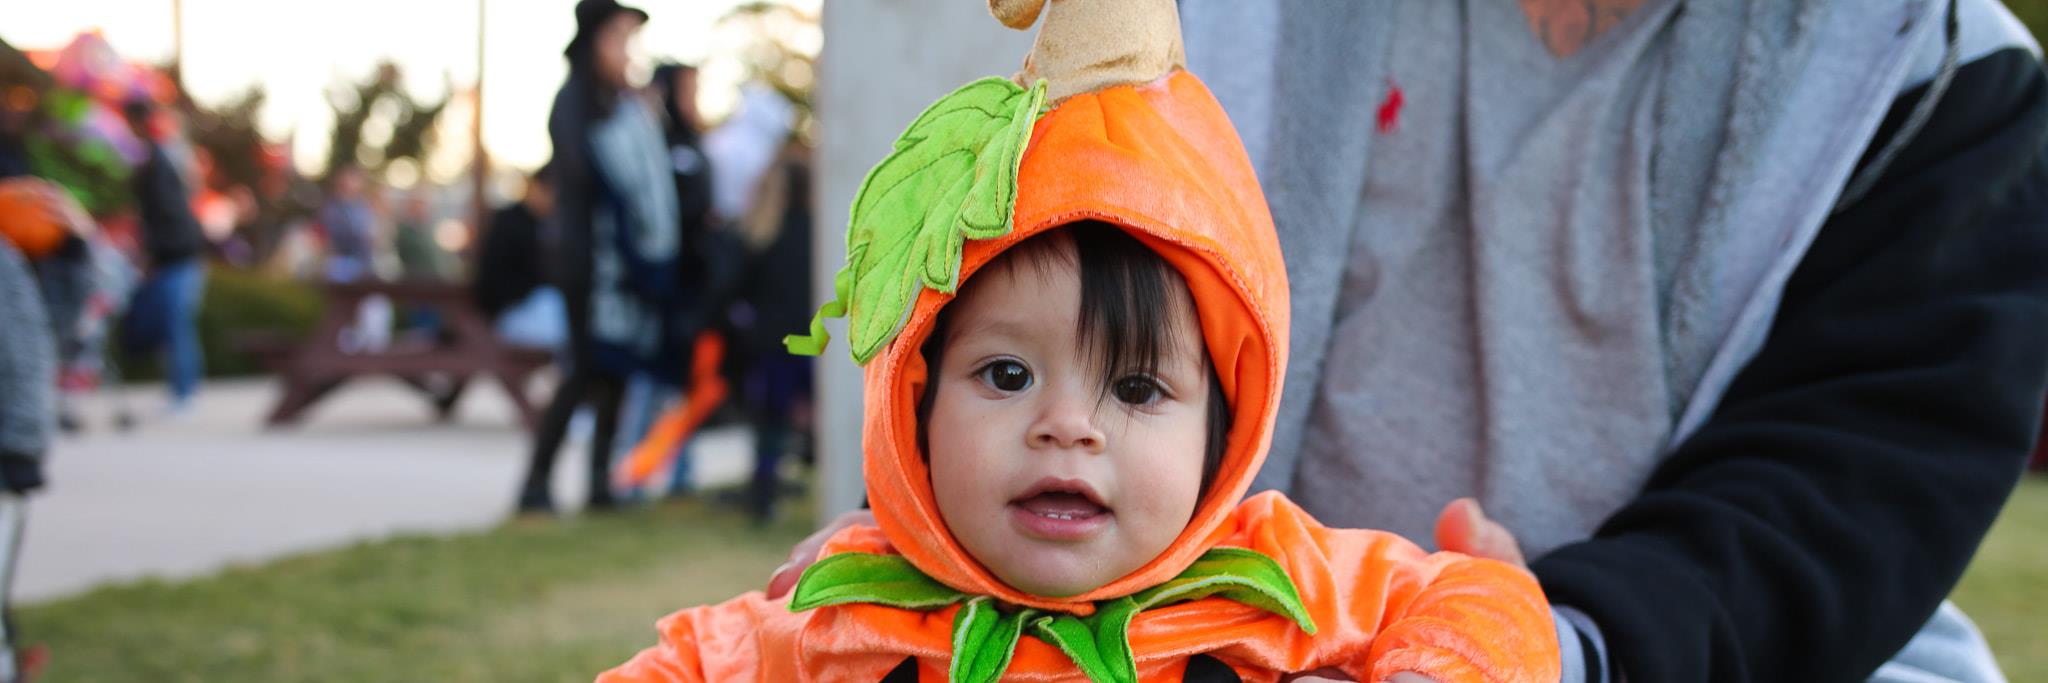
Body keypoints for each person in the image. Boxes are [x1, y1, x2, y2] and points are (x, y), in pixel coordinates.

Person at [779, 1, 2048, 681]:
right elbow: (1008, 292)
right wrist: (912, 552)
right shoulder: (1170, 28)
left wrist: (1555, 642)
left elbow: (1851, 488)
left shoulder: (1933, 75)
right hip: (1191, 632)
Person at [600, 3, 1562, 680]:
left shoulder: (1279, 577)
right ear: (917, 404)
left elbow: (1488, 600)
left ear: (1223, 430)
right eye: (1007, 373)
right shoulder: (843, 609)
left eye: (1138, 389)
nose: (1067, 426)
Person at [518, 0, 682, 514]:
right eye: (618, 39)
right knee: (584, 370)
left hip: (615, 268)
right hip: (586, 262)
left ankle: (598, 484)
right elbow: (585, 181)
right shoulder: (574, 103)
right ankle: (536, 482)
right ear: (594, 42)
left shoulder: (622, 107)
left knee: (615, 373)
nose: (626, 52)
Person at [122, 99, 207, 414]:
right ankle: (179, 389)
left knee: (176, 324)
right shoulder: (159, 161)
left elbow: (166, 215)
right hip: (174, 254)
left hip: (178, 254)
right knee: (169, 324)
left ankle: (185, 392)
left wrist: (153, 254)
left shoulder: (162, 161)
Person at [471, 164, 566, 351]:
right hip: (511, 310)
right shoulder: (509, 222)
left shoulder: (548, 224)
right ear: (536, 187)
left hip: (536, 305)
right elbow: (493, 278)